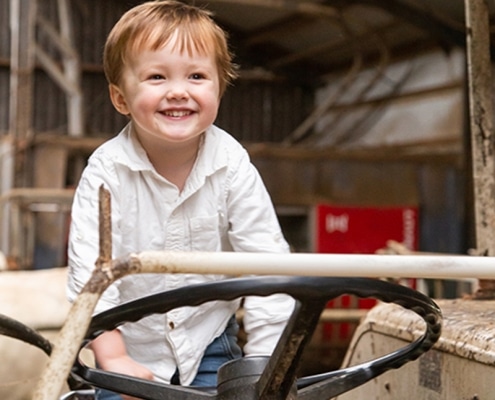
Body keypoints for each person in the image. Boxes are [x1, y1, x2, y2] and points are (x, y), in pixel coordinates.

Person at [66, 1, 295, 399]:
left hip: (208, 343)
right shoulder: (105, 173)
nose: (178, 91)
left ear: (219, 88)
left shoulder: (232, 166)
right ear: (121, 98)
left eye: (196, 76)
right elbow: (91, 271)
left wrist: (264, 365)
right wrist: (113, 355)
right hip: (126, 345)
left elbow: (268, 265)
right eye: (156, 76)